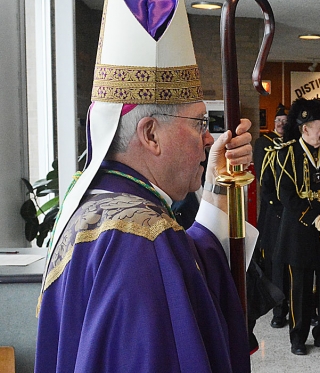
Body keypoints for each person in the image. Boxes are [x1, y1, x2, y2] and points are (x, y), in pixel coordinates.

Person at [35, 1, 256, 372]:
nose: (208, 139)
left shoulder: (95, 205)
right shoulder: (144, 238)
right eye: (200, 123)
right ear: (151, 134)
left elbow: (186, 261)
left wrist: (219, 184)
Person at [274, 98, 320, 355]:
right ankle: (298, 336)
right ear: (305, 128)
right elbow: (285, 194)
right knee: (300, 289)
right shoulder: (287, 153)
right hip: (299, 230)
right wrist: (313, 218)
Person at [253, 103, 290, 328]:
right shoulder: (263, 143)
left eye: (285, 122)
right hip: (272, 210)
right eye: (278, 122)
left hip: (292, 210)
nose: (280, 125)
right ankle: (278, 309)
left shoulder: (294, 144)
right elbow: (263, 177)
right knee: (274, 260)